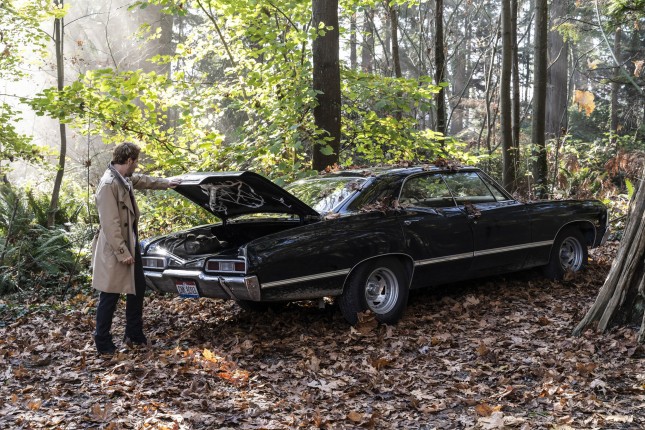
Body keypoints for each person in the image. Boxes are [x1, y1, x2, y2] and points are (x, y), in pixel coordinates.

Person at [91, 142, 181, 354]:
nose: (137, 165)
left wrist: (167, 183)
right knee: (110, 295)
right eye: (136, 161)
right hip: (115, 248)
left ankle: (134, 333)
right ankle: (102, 341)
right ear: (129, 160)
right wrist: (122, 252)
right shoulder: (108, 184)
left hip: (130, 243)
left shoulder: (124, 177)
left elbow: (143, 180)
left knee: (137, 288)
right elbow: (110, 224)